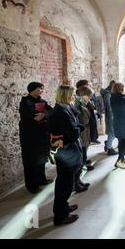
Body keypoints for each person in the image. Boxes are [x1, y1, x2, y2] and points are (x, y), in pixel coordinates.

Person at [49, 85, 83, 226]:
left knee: (65, 181)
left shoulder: (64, 107)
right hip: (66, 151)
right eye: (71, 94)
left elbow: (73, 123)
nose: (74, 96)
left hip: (68, 149)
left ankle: (63, 207)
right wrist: (80, 128)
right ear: (65, 95)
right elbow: (71, 132)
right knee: (65, 184)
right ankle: (60, 216)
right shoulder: (60, 111)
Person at [19, 82, 53, 194]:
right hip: (30, 136)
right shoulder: (25, 102)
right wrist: (43, 116)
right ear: (33, 89)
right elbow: (33, 118)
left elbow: (51, 111)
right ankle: (31, 185)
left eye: (42, 89)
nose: (42, 91)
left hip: (42, 135)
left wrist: (44, 115)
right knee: (31, 161)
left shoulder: (42, 101)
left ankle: (41, 179)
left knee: (41, 159)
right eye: (40, 88)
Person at [75, 85, 96, 179]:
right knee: (83, 149)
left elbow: (93, 107)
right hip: (82, 130)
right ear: (83, 95)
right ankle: (81, 168)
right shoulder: (78, 104)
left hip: (86, 129)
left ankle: (83, 164)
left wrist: (89, 102)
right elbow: (83, 119)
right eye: (89, 95)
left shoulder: (84, 102)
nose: (91, 97)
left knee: (85, 147)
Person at [76, 80, 100, 144]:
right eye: (89, 97)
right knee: (84, 143)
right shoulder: (79, 104)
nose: (90, 98)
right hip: (83, 129)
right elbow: (83, 121)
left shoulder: (85, 100)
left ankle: (92, 139)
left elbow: (92, 105)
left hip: (86, 128)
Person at [101, 80, 118, 156]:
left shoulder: (110, 93)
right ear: (112, 86)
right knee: (112, 132)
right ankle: (109, 149)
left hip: (113, 114)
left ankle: (108, 143)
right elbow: (109, 106)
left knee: (114, 132)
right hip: (111, 115)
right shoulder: (107, 94)